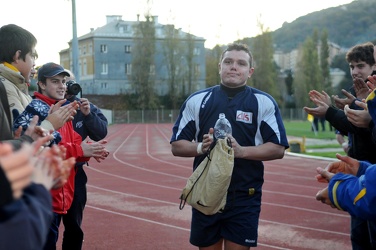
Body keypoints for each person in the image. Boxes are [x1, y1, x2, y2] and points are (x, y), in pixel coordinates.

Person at [170, 43, 289, 249]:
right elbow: (177, 146)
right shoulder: (197, 100)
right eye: (228, 62)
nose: (234, 67)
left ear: (249, 71)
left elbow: (278, 148)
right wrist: (201, 147)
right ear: (219, 66)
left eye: (241, 63)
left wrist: (242, 152)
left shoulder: (263, 102)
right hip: (206, 192)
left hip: (244, 195)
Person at [12, 62, 109, 250]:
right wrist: (82, 151)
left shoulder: (61, 109)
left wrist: (91, 149)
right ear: (41, 84)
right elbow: (41, 148)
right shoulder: (38, 108)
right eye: (55, 81)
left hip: (59, 195)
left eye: (64, 81)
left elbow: (69, 142)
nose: (62, 86)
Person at [305, 42, 376, 249]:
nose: (355, 71)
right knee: (359, 235)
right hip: (360, 169)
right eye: (352, 67)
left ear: (374, 66)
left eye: (360, 66)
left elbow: (364, 127)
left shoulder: (371, 92)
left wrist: (329, 112)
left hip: (371, 175)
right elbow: (355, 127)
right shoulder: (358, 91)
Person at [61, 69, 108, 250]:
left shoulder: (83, 106)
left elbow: (101, 132)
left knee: (74, 227)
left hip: (76, 174)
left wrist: (88, 114)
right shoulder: (46, 106)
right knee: (46, 227)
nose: (66, 87)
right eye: (61, 82)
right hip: (50, 173)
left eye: (69, 82)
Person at [0, 24, 76, 133]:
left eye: (63, 81)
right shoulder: (6, 88)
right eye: (32, 56)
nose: (34, 64)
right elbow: (21, 137)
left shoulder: (16, 85)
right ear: (17, 56)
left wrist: (49, 116)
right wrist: (50, 123)